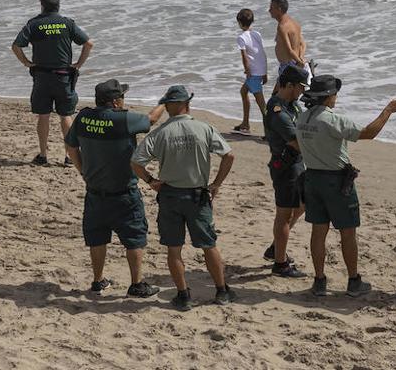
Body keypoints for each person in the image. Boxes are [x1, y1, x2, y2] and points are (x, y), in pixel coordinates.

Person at [296, 75, 396, 297]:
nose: (336, 97)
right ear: (328, 97)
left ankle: (319, 280)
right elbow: (368, 133)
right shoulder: (332, 120)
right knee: (347, 231)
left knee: (318, 231)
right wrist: (387, 111)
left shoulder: (302, 118)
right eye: (334, 94)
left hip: (312, 178)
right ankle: (353, 280)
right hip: (336, 181)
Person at [131, 85, 237, 311]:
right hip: (197, 195)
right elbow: (229, 155)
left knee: (174, 248)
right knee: (209, 245)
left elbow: (136, 162)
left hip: (170, 195)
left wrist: (151, 181)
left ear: (169, 106)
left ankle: (183, 295)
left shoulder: (160, 133)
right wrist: (216, 184)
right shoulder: (203, 128)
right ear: (187, 104)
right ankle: (222, 290)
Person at [65, 79, 167, 297]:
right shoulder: (123, 120)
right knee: (134, 236)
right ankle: (136, 283)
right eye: (122, 96)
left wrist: (83, 171)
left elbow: (71, 146)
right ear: (115, 102)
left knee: (97, 237)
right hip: (123, 191)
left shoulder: (83, 117)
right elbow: (151, 120)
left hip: (95, 190)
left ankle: (98, 280)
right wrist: (164, 101)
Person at [11, 0, 94, 166]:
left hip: (42, 76)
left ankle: (43, 155)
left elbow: (16, 45)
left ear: (42, 6)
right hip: (64, 76)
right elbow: (88, 43)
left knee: (43, 115)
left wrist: (27, 62)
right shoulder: (67, 23)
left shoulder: (34, 24)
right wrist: (78, 64)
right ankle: (69, 157)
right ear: (58, 6)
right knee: (66, 116)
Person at [262, 64, 311, 277]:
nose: (302, 92)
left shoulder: (293, 106)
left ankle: (276, 246)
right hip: (286, 168)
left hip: (297, 165)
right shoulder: (277, 110)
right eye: (301, 87)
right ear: (289, 85)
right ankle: (280, 263)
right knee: (284, 214)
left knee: (302, 205)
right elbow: (297, 141)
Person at [233, 8, 268, 133]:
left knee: (261, 104)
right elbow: (262, 53)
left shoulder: (241, 37)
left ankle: (270, 131)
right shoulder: (257, 34)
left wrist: (247, 71)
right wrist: (265, 72)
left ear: (240, 23)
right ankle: (245, 123)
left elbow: (244, 56)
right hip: (259, 71)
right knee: (243, 91)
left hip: (253, 73)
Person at [268, 0, 310, 82]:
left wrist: (300, 62)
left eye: (271, 8)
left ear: (279, 9)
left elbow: (289, 50)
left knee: (282, 94)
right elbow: (303, 44)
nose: (269, 10)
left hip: (289, 66)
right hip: (296, 62)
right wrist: (301, 57)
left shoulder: (282, 27)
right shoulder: (294, 23)